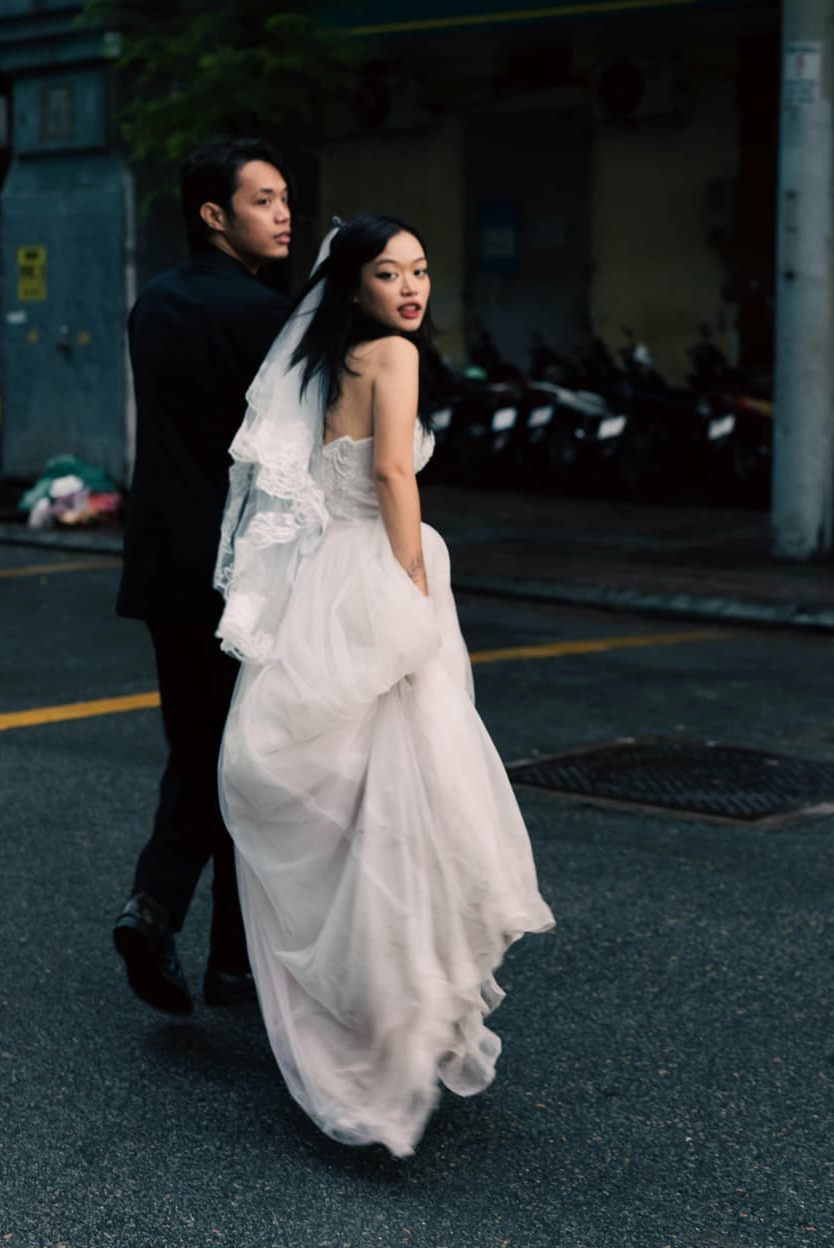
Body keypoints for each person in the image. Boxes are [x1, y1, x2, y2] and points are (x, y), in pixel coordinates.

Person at [214, 215, 554, 1158]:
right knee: (409, 793)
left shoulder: (322, 364)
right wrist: (411, 585)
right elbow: (394, 473)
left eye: (422, 270)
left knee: (354, 794)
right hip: (380, 568)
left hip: (320, 576)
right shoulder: (393, 358)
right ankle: (395, 1001)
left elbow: (306, 488)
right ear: (353, 283)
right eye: (390, 272)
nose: (412, 288)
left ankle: (364, 998)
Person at [113, 136, 292, 1016]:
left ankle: (194, 934)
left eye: (283, 198)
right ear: (214, 214)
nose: (283, 214)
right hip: (243, 563)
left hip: (162, 563)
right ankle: (197, 937)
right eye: (263, 200)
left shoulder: (152, 304)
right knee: (243, 761)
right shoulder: (267, 316)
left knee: (199, 745)